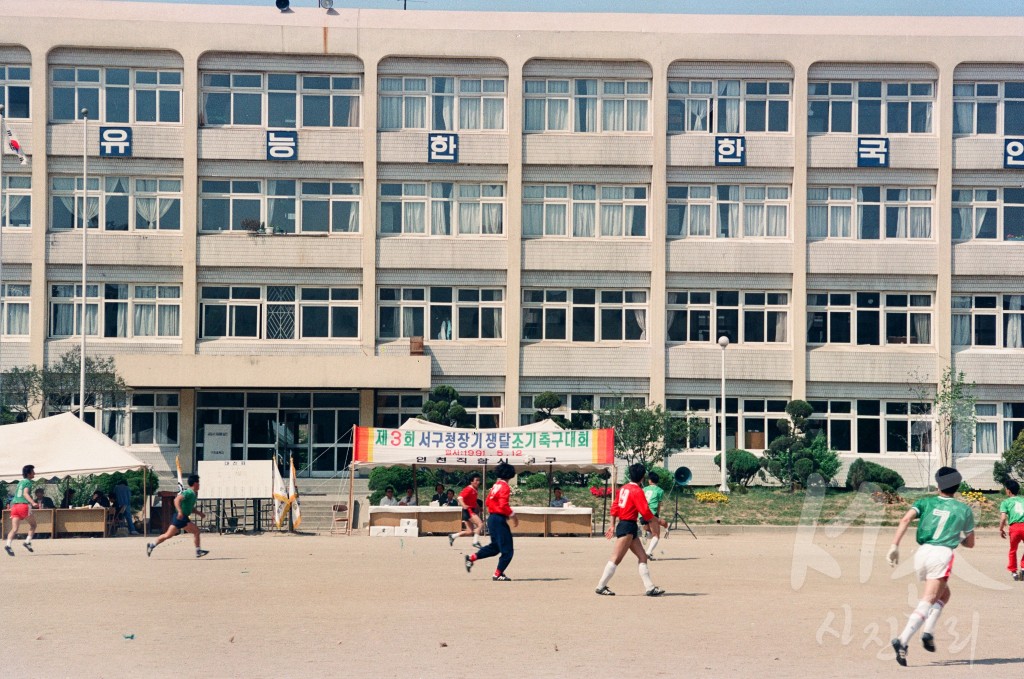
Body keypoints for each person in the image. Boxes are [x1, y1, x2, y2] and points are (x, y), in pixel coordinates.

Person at [887, 467, 975, 667]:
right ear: (957, 487)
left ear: (938, 486)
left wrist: (894, 545)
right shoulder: (963, 510)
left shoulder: (925, 502)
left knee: (944, 595)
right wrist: (959, 537)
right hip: (941, 554)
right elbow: (970, 543)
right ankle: (903, 640)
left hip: (922, 552)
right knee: (928, 599)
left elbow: (905, 519)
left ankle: (928, 632)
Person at [595, 463, 666, 597]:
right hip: (628, 526)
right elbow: (645, 511)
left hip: (627, 525)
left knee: (642, 556)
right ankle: (600, 586)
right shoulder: (637, 490)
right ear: (642, 477)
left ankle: (650, 587)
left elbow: (615, 507)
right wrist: (659, 521)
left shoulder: (623, 488)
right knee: (616, 558)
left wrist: (611, 525)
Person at [465, 462, 518, 581]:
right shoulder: (504, 486)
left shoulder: (496, 485)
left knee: (495, 547)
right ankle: (498, 574)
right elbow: (504, 504)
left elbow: (488, 502)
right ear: (511, 474)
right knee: (508, 550)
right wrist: (513, 515)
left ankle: (472, 558)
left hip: (492, 518)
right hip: (498, 519)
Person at [147, 474, 208, 559]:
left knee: (168, 535)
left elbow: (190, 507)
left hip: (182, 517)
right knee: (196, 531)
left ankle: (152, 544)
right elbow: (177, 500)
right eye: (199, 482)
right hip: (181, 517)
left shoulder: (194, 494)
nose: (200, 485)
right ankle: (198, 551)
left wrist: (199, 513)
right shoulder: (188, 492)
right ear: (195, 483)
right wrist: (180, 511)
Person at [5, 464, 39, 556]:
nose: (34, 473)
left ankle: (8, 545)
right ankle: (27, 542)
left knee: (15, 529)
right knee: (33, 525)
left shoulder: (20, 482)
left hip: (14, 506)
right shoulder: (28, 482)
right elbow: (25, 493)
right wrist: (33, 502)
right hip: (23, 505)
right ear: (28, 474)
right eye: (33, 472)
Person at [999, 478, 1024, 581]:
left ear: (1008, 490)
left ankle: (1013, 571)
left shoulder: (1005, 502)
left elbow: (1003, 518)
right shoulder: (1023, 500)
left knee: (1013, 550)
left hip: (1014, 527)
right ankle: (1023, 567)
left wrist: (1001, 529)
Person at [449, 473, 483, 548]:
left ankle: (453, 536)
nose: (478, 482)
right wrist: (464, 505)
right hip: (468, 510)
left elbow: (473, 501)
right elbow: (459, 498)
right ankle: (475, 542)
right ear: (471, 481)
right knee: (480, 524)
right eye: (476, 480)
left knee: (470, 531)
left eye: (479, 480)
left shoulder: (474, 489)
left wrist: (478, 507)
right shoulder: (469, 489)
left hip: (469, 510)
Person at [642, 472, 665, 559]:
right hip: (652, 513)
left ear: (650, 480)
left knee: (650, 532)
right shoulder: (660, 490)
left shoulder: (644, 489)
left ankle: (645, 534)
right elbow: (658, 504)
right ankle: (648, 552)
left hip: (642, 513)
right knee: (656, 535)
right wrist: (657, 515)